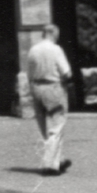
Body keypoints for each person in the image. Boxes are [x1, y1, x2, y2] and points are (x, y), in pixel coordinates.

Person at [25, 24, 73, 176]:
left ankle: (58, 159)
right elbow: (66, 72)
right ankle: (50, 165)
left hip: (36, 88)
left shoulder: (33, 50)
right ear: (54, 34)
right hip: (52, 88)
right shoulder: (56, 49)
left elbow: (29, 73)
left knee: (44, 127)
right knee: (56, 126)